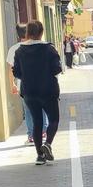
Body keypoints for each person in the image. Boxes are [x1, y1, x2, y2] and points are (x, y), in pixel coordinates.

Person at [13, 20, 63, 165]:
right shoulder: (49, 49)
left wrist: (29, 76)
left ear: (27, 33)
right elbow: (57, 69)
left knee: (37, 122)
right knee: (53, 120)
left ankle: (39, 156)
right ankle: (47, 144)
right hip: (48, 91)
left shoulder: (19, 51)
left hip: (29, 92)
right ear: (41, 32)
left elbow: (17, 72)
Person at [6, 24, 48, 144]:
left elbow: (10, 69)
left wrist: (12, 85)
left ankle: (32, 136)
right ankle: (43, 131)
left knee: (29, 110)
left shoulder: (13, 49)